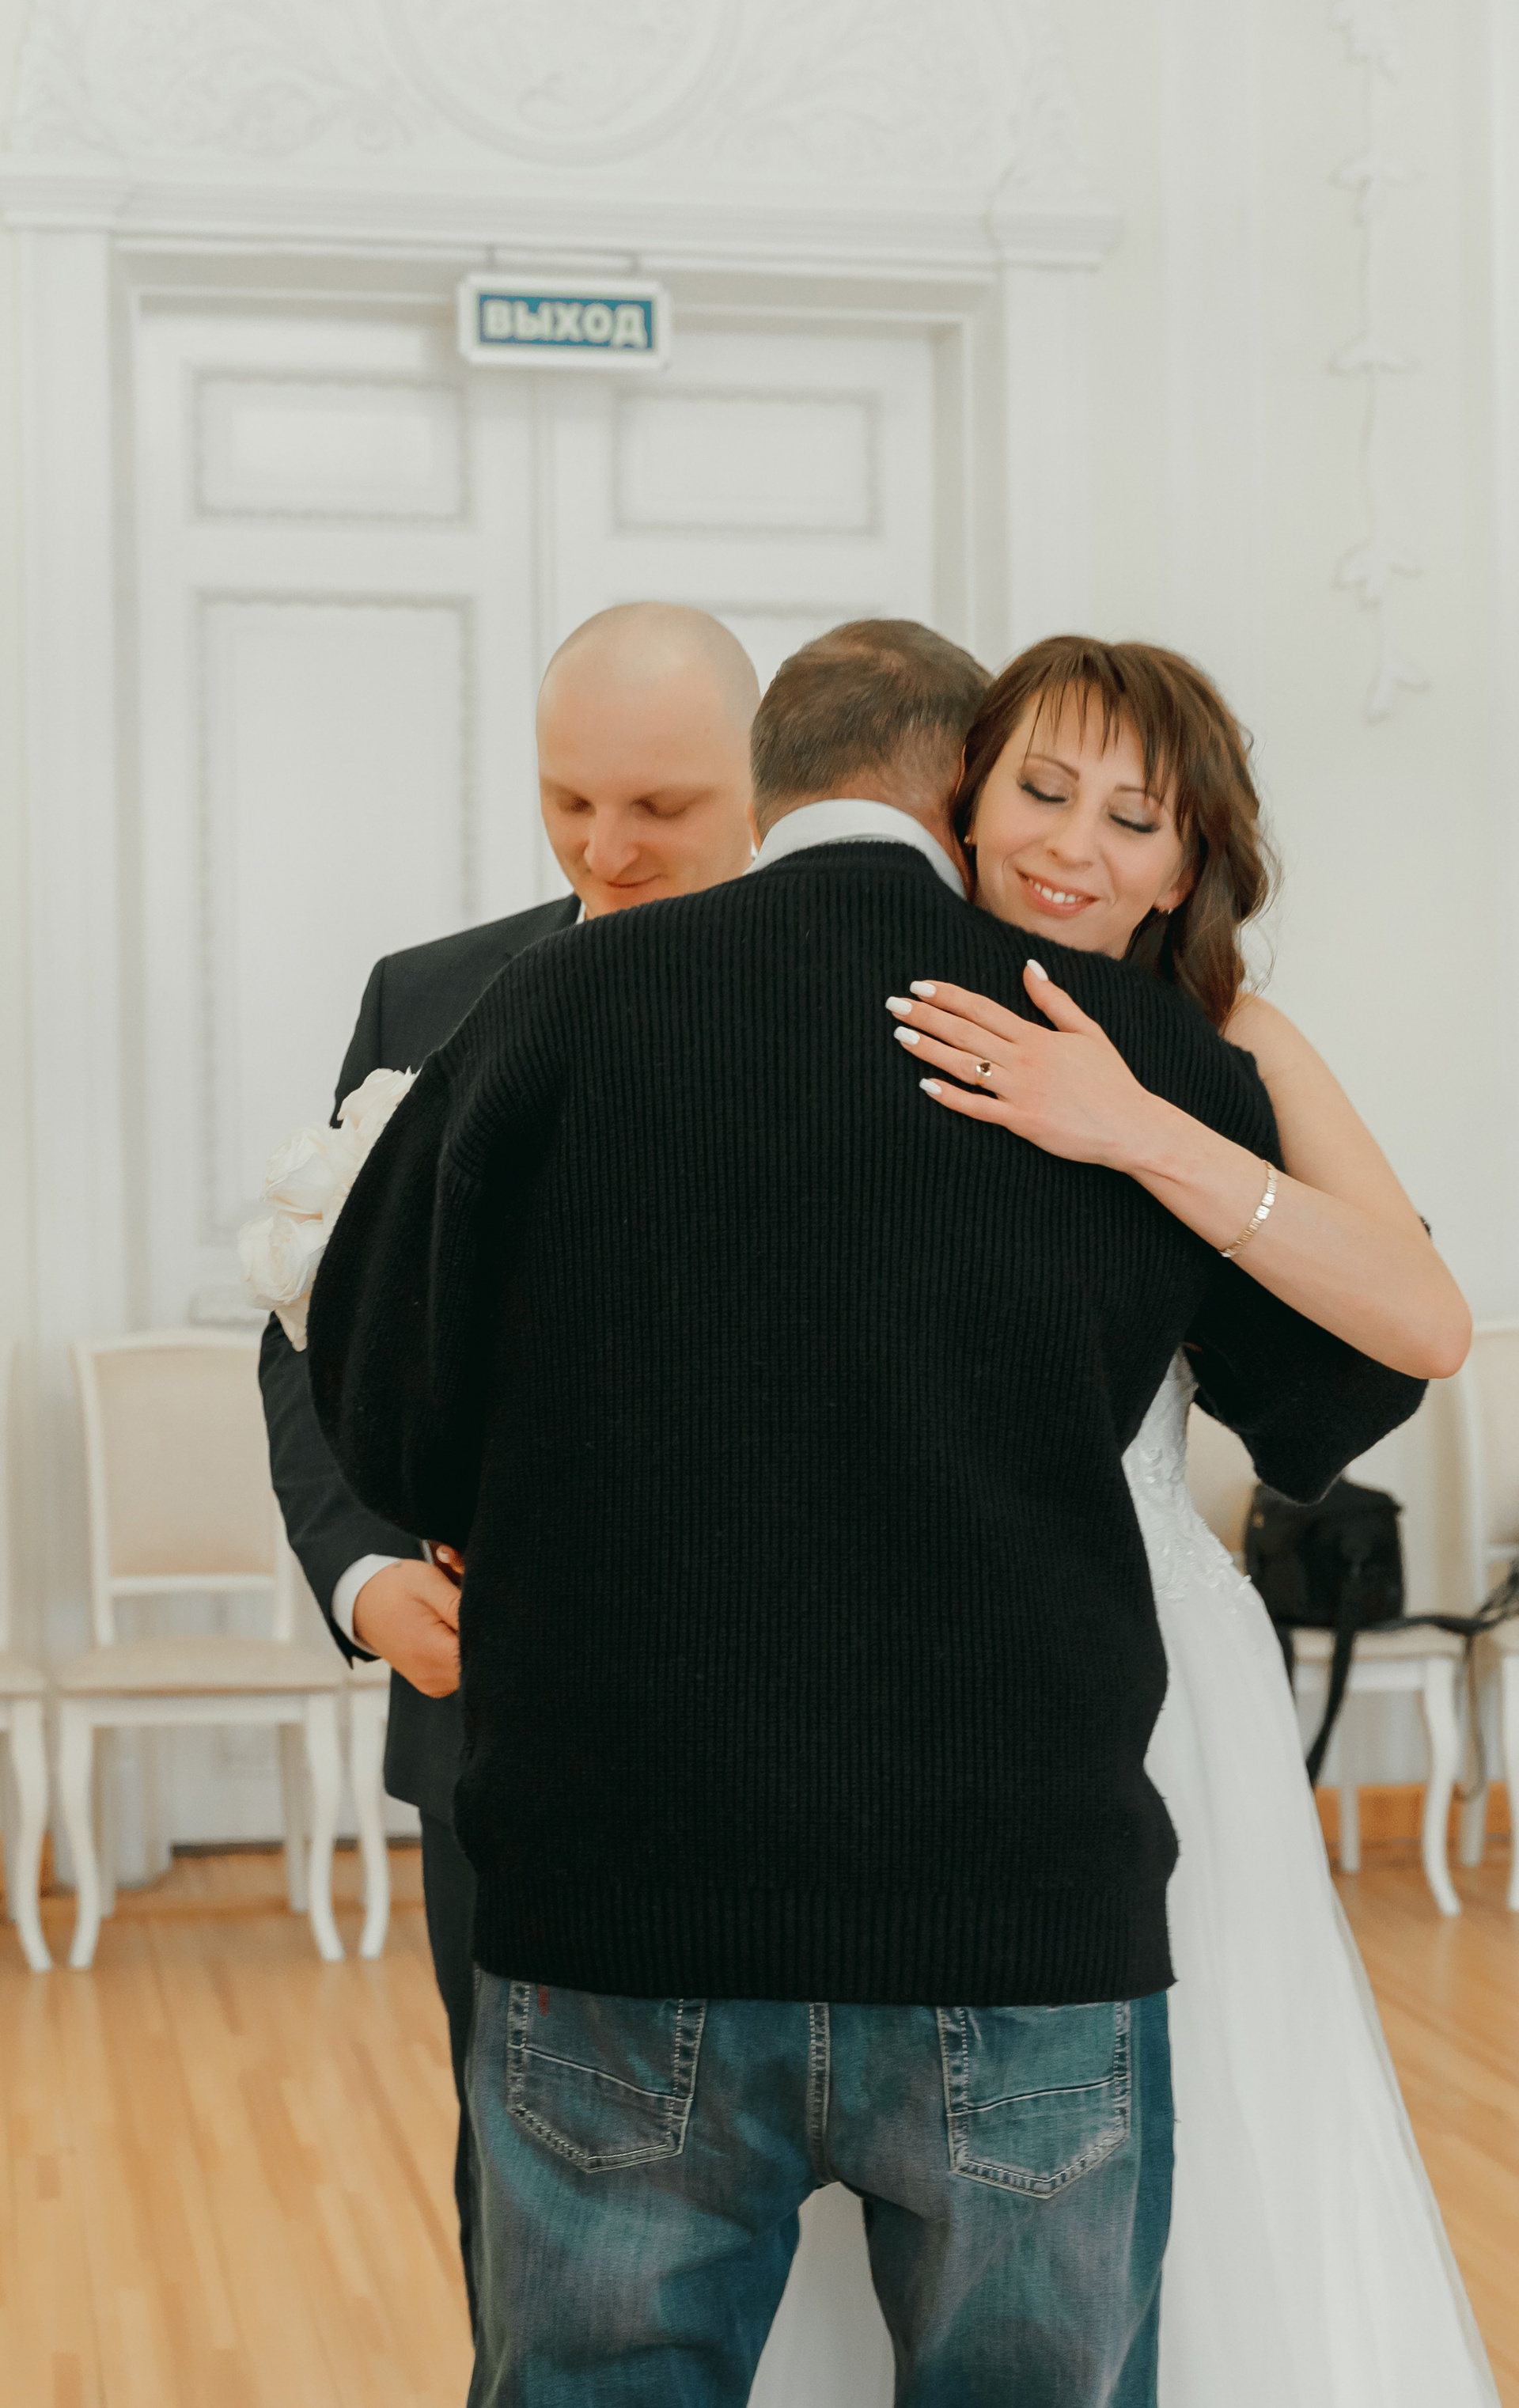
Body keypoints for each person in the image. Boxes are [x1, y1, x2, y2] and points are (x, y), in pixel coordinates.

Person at [305, 619, 1425, 2407]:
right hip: (1017, 1916)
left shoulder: (562, 1001)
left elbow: (384, 1412)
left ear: (764, 788)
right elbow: (1349, 1389)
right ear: (956, 791)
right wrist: (1213, 1070)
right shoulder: (1135, 1060)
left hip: (622, 1903)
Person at [863, 635, 1496, 2408]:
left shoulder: (1231, 1039)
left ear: (1188, 860)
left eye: (1133, 819)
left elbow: (1425, 1320)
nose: (1073, 847)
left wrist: (1137, 1128)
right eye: (1041, 791)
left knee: (1182, 2129)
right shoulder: (885, 984)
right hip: (892, 1623)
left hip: (1143, 1654)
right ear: (964, 800)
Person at [258, 601, 760, 2323]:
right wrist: (363, 1569)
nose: (604, 850)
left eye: (661, 808)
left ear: (761, 782)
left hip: (776, 1726)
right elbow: (311, 1325)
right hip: (488, 1715)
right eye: (569, 802)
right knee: (529, 2199)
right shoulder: (427, 996)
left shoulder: (865, 1002)